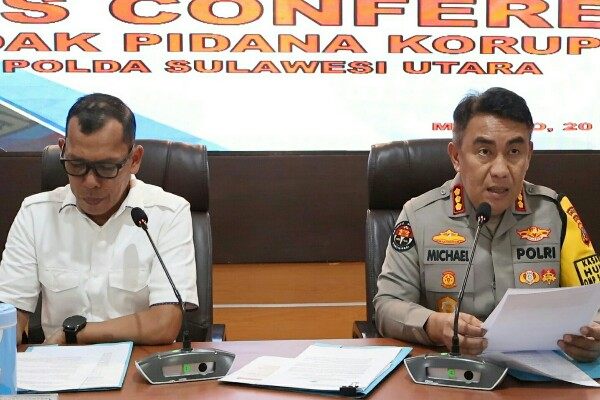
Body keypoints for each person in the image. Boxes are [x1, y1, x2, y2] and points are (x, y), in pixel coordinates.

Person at [374, 87, 600, 362]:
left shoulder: (555, 212)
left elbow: (594, 301)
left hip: (541, 374)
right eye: (484, 151)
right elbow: (387, 306)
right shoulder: (419, 216)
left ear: (529, 155)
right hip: (455, 372)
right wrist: (434, 325)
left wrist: (593, 336)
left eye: (514, 151)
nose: (501, 170)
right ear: (456, 156)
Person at [0, 93, 198, 345]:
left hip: (139, 363)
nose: (90, 182)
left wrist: (75, 334)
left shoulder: (167, 213)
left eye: (106, 168)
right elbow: (8, 315)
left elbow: (164, 323)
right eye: (76, 164)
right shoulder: (35, 214)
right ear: (62, 150)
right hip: (59, 365)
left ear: (134, 160)